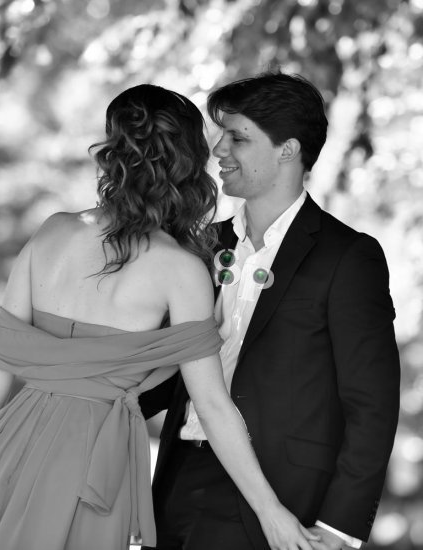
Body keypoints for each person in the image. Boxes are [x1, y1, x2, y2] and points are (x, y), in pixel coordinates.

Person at [0, 84, 316, 550]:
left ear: (113, 153)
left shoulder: (53, 232)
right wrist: (270, 511)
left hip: (6, 445)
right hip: (85, 463)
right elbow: (212, 405)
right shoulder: (181, 270)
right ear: (188, 166)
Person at [140, 72, 401, 550]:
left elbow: (372, 407)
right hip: (177, 484)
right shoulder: (200, 246)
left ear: (288, 150)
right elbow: (164, 374)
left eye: (238, 138)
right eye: (221, 135)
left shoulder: (348, 257)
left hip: (282, 503)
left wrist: (339, 529)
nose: (218, 150)